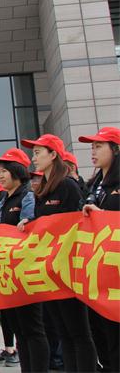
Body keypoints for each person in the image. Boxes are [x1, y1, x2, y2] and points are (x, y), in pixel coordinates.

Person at [21, 134, 97, 372]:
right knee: (63, 332)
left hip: (69, 270)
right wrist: (29, 223)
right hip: (50, 271)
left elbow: (79, 224)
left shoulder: (67, 186)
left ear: (53, 154)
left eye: (38, 152)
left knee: (79, 333)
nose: (34, 158)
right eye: (33, 153)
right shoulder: (43, 189)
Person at [0, 148, 46, 373]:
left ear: (17, 171)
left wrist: (26, 225)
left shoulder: (27, 196)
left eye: (4, 170)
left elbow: (32, 227)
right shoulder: (3, 201)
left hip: (26, 271)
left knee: (33, 328)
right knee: (19, 329)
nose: (0, 175)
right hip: (8, 271)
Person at [80, 127, 120, 373]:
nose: (93, 152)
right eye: (92, 147)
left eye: (98, 146)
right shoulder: (94, 186)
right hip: (99, 272)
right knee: (100, 331)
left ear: (115, 149)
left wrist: (103, 215)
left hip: (117, 274)